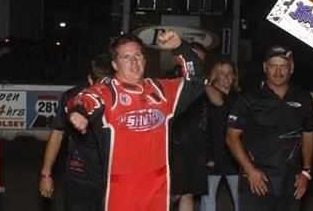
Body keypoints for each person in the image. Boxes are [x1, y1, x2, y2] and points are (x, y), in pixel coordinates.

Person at [66, 30, 207, 211]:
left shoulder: (162, 91)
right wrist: (79, 111)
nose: (134, 62)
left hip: (159, 188)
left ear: (145, 60)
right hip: (121, 191)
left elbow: (196, 80)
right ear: (114, 64)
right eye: (125, 57)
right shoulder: (107, 92)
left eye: (138, 55)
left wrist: (180, 47)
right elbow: (84, 98)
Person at [226, 44, 313, 211]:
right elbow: (231, 137)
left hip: (292, 182)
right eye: (273, 66)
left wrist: (306, 172)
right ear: (264, 67)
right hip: (257, 180)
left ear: (291, 69)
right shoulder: (248, 97)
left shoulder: (303, 97)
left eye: (283, 66)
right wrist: (250, 170)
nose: (278, 72)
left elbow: (309, 134)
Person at [39, 54, 112, 211]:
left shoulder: (122, 98)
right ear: (90, 80)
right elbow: (57, 134)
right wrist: (46, 174)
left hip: (114, 178)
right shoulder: (71, 96)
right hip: (80, 177)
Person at [167, 42, 208, 211]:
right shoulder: (170, 78)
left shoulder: (203, 80)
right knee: (174, 193)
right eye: (195, 59)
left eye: (201, 61)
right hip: (175, 145)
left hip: (196, 143)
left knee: (189, 193)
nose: (198, 64)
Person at [200, 60, 240, 211]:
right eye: (222, 73)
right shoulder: (205, 96)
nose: (226, 76)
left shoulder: (239, 98)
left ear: (234, 76)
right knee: (208, 200)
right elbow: (203, 129)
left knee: (240, 198)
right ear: (216, 75)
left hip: (235, 158)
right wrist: (207, 156)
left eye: (229, 73)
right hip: (213, 156)